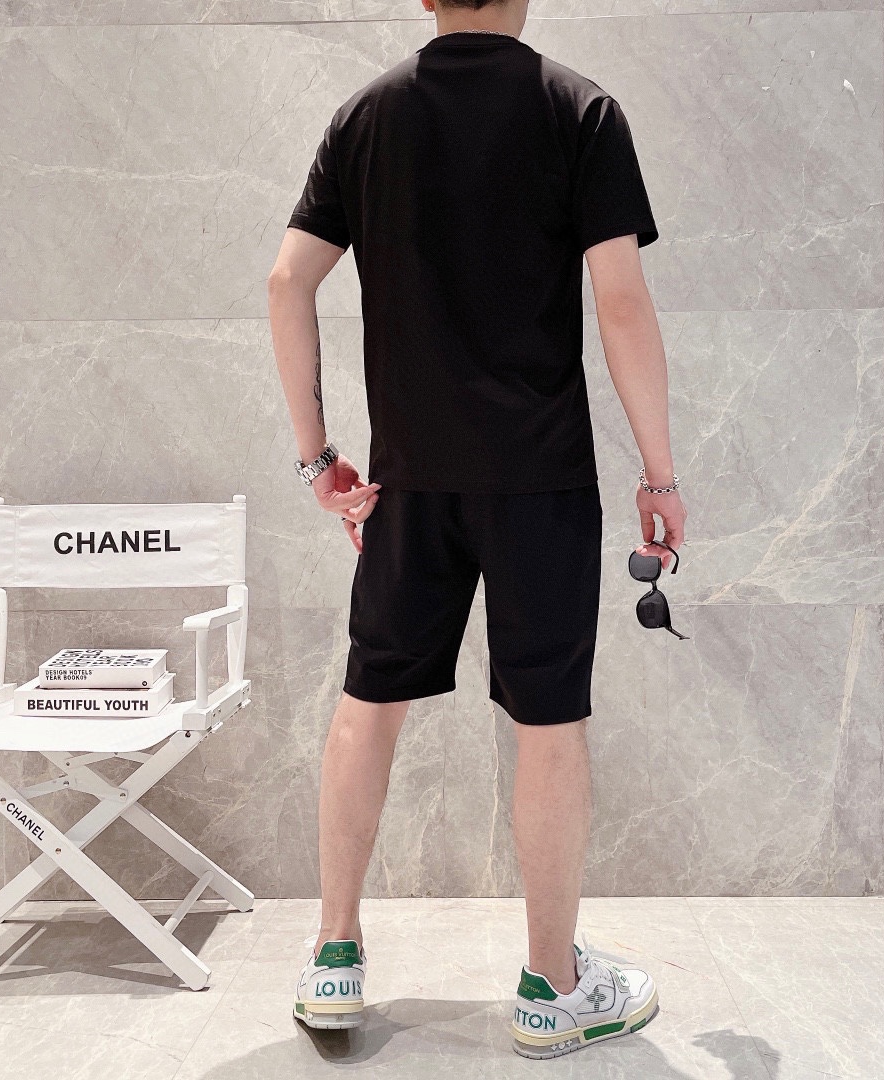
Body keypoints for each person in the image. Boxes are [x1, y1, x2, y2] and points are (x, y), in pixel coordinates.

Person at [267, 0, 687, 1060]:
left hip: (408, 483)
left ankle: (333, 957)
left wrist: (319, 460)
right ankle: (551, 990)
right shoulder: (579, 110)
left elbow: (287, 281)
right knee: (548, 722)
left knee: (370, 701)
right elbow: (621, 303)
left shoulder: (367, 115)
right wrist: (661, 474)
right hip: (541, 481)